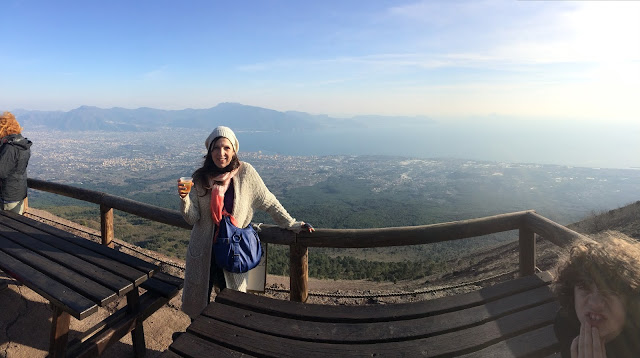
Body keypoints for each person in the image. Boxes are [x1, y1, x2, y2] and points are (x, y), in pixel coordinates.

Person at [177, 126, 314, 318]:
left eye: (226, 147)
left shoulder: (246, 174)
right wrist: (185, 199)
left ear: (234, 150)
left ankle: (226, 340)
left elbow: (269, 202)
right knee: (199, 304)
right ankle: (195, 340)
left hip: (233, 252)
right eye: (216, 148)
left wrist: (291, 224)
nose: (221, 153)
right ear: (209, 151)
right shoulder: (201, 178)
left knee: (232, 304)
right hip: (204, 252)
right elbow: (193, 218)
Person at [553, 232, 640, 358]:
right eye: (585, 287)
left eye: (611, 291)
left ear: (631, 299)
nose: (595, 303)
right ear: (572, 294)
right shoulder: (566, 323)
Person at [0, 112, 32, 215]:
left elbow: (1, 172)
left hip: (7, 194)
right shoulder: (22, 144)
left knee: (7, 226)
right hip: (19, 192)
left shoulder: (9, 147)